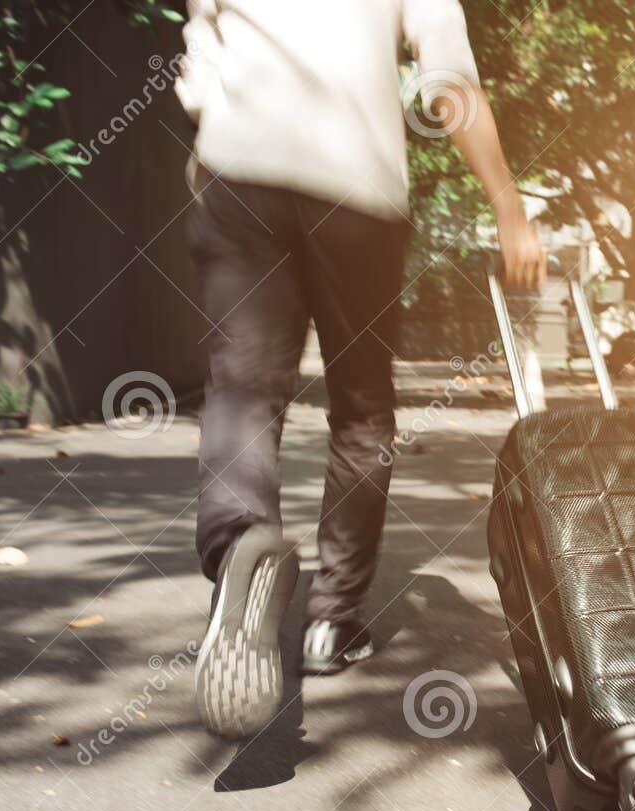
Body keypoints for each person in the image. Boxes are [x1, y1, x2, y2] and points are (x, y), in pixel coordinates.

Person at [176, 0, 545, 739]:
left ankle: (240, 539)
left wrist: (209, 129)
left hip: (240, 170)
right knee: (363, 409)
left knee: (244, 388)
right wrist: (508, 206)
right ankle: (331, 623)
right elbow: (449, 79)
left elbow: (202, 41)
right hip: (357, 187)